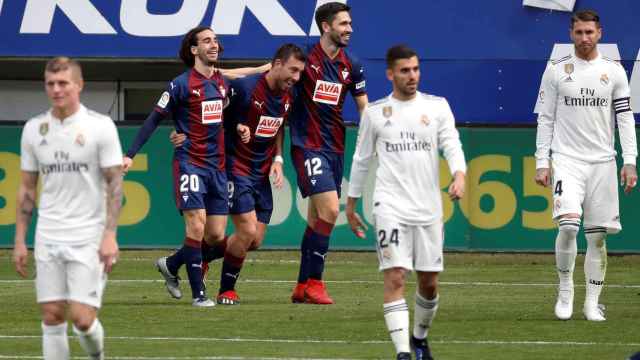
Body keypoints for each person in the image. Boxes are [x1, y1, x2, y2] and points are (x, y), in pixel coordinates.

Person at [123, 26, 266, 307]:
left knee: (214, 236)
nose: (214, 44)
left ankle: (171, 264)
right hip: (190, 163)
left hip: (218, 167)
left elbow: (234, 86)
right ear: (193, 49)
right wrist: (130, 155)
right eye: (207, 41)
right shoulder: (180, 85)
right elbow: (153, 119)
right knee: (196, 225)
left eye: (215, 40)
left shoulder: (222, 82)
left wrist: (237, 124)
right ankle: (199, 294)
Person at [346, 45, 466, 360]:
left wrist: (460, 175)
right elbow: (361, 159)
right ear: (390, 74)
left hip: (428, 207)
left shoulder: (437, 107)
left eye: (415, 69)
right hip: (390, 206)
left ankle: (420, 337)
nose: (411, 75)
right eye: (404, 70)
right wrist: (351, 203)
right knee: (396, 274)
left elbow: (451, 144)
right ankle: (402, 353)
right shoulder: (375, 113)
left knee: (428, 282)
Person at [172, 44, 306, 305]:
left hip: (262, 171)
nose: (296, 77)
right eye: (293, 70)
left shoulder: (290, 95)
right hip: (234, 167)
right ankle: (227, 290)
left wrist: (278, 159)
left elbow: (279, 125)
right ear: (276, 64)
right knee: (244, 230)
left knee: (254, 240)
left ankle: (181, 259)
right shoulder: (245, 88)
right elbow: (211, 113)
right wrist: (184, 131)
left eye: (300, 72)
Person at [13, 57, 123, 360]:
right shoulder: (35, 129)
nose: (56, 89)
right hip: (48, 233)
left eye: (63, 83)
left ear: (79, 85)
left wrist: (110, 235)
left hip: (89, 235)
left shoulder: (100, 127)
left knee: (82, 319)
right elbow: (26, 188)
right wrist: (21, 239)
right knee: (51, 315)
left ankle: (96, 355)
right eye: (50, 84)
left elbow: (115, 185)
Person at [534, 9, 637, 321]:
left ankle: (592, 302)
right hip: (567, 160)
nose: (584, 38)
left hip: (603, 163)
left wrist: (629, 161)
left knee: (597, 236)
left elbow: (625, 119)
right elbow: (546, 119)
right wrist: (542, 161)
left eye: (589, 32)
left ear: (600, 33)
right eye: (579, 33)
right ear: (571, 34)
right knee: (567, 226)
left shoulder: (614, 72)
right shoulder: (556, 71)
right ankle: (566, 288)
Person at [288, 1, 368, 305]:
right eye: (343, 24)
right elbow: (274, 79)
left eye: (349, 24)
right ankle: (316, 283)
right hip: (307, 145)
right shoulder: (304, 57)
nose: (349, 29)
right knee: (332, 212)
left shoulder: (353, 64)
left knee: (316, 220)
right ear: (326, 27)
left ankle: (300, 286)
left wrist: (374, 136)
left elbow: (364, 107)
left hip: (335, 146)